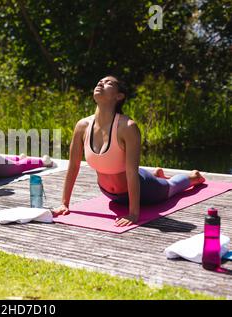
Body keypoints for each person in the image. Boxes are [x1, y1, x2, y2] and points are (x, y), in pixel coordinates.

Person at [51, 75, 205, 227]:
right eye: (100, 81)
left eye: (108, 82)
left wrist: (134, 214)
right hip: (109, 193)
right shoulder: (82, 126)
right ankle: (156, 174)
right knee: (150, 178)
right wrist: (64, 204)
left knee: (171, 187)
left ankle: (192, 176)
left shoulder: (127, 127)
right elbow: (73, 166)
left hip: (145, 190)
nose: (101, 82)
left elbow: (131, 172)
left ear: (119, 96)